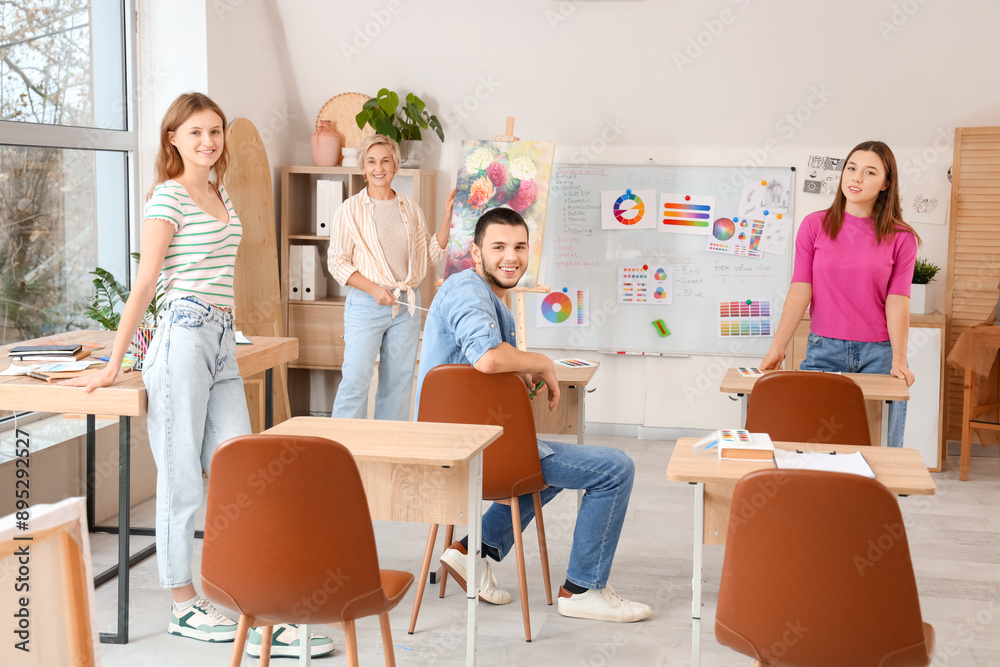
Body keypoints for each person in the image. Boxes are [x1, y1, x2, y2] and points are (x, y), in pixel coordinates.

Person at [61, 93, 333, 658]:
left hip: (220, 342)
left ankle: (254, 600)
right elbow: (145, 285)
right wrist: (115, 363)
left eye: (215, 131)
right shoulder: (168, 197)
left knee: (243, 471)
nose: (207, 141)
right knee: (181, 476)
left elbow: (214, 274)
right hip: (181, 340)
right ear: (173, 141)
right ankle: (185, 606)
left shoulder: (220, 193)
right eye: (195, 133)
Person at [415, 207, 652, 622]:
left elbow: (488, 364)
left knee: (542, 457)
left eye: (520, 247)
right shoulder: (465, 289)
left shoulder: (494, 304)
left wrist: (519, 366)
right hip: (467, 453)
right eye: (499, 247)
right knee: (614, 469)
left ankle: (474, 551)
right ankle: (582, 589)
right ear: (475, 253)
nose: (512, 257)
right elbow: (487, 358)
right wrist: (539, 361)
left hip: (477, 448)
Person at [760, 140, 920, 447]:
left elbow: (898, 300)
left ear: (886, 183)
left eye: (870, 172)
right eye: (852, 168)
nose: (857, 178)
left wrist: (899, 358)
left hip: (880, 355)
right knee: (809, 444)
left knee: (880, 449)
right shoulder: (814, 226)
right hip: (824, 351)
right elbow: (799, 291)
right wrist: (777, 347)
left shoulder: (902, 238)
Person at [328, 134, 454, 420]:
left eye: (385, 160)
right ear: (362, 167)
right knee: (355, 382)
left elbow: (430, 255)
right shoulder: (348, 211)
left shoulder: (410, 208)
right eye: (371, 161)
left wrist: (447, 218)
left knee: (398, 385)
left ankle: (389, 453)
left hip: (406, 306)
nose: (378, 167)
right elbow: (337, 263)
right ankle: (342, 452)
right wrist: (373, 289)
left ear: (395, 165)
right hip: (366, 305)